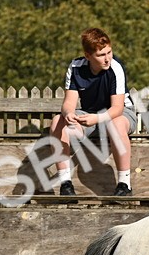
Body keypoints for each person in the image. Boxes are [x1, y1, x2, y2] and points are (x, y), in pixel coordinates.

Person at [46, 28, 138, 197]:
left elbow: (117, 108)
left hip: (120, 113)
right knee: (57, 121)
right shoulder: (75, 67)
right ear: (88, 56)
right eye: (101, 55)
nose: (107, 58)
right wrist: (68, 115)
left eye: (109, 52)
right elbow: (69, 103)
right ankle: (65, 184)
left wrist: (97, 118)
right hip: (89, 114)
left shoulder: (115, 68)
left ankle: (124, 184)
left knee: (115, 124)